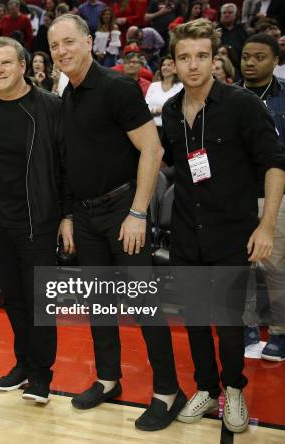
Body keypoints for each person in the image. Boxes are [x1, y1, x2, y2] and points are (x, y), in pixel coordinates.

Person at [49, 14, 186, 431]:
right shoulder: (66, 96)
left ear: (90, 42)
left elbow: (152, 150)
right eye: (55, 46)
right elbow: (70, 165)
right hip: (86, 215)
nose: (62, 52)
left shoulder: (117, 88)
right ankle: (108, 379)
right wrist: (69, 215)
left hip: (124, 211)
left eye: (69, 42)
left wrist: (138, 212)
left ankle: (168, 391)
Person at [160, 19, 285, 433]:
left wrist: (265, 227)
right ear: (173, 63)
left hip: (232, 234)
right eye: (184, 58)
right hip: (185, 233)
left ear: (215, 59)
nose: (192, 65)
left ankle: (233, 388)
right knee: (195, 319)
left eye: (201, 56)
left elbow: (274, 165)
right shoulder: (173, 111)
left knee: (231, 324)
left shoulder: (242, 105)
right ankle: (206, 387)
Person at [0, 36, 63, 403]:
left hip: (37, 220)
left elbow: (66, 164)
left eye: (6, 63)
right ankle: (23, 363)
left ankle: (42, 375)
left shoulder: (49, 106)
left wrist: (67, 215)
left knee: (40, 302)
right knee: (12, 298)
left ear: (23, 66)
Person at [238, 33, 285, 361]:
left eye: (259, 57)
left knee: (275, 266)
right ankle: (247, 327)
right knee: (239, 266)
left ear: (275, 61)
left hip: (275, 194)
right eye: (245, 57)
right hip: (235, 195)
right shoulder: (228, 96)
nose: (250, 63)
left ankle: (280, 332)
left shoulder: (283, 98)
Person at [145, 55, 183, 129]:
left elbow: (179, 108)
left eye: (169, 65)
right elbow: (145, 107)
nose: (165, 67)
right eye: (163, 65)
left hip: (172, 127)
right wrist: (156, 110)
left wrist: (163, 110)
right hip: (152, 127)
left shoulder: (181, 86)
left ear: (176, 68)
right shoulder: (153, 85)